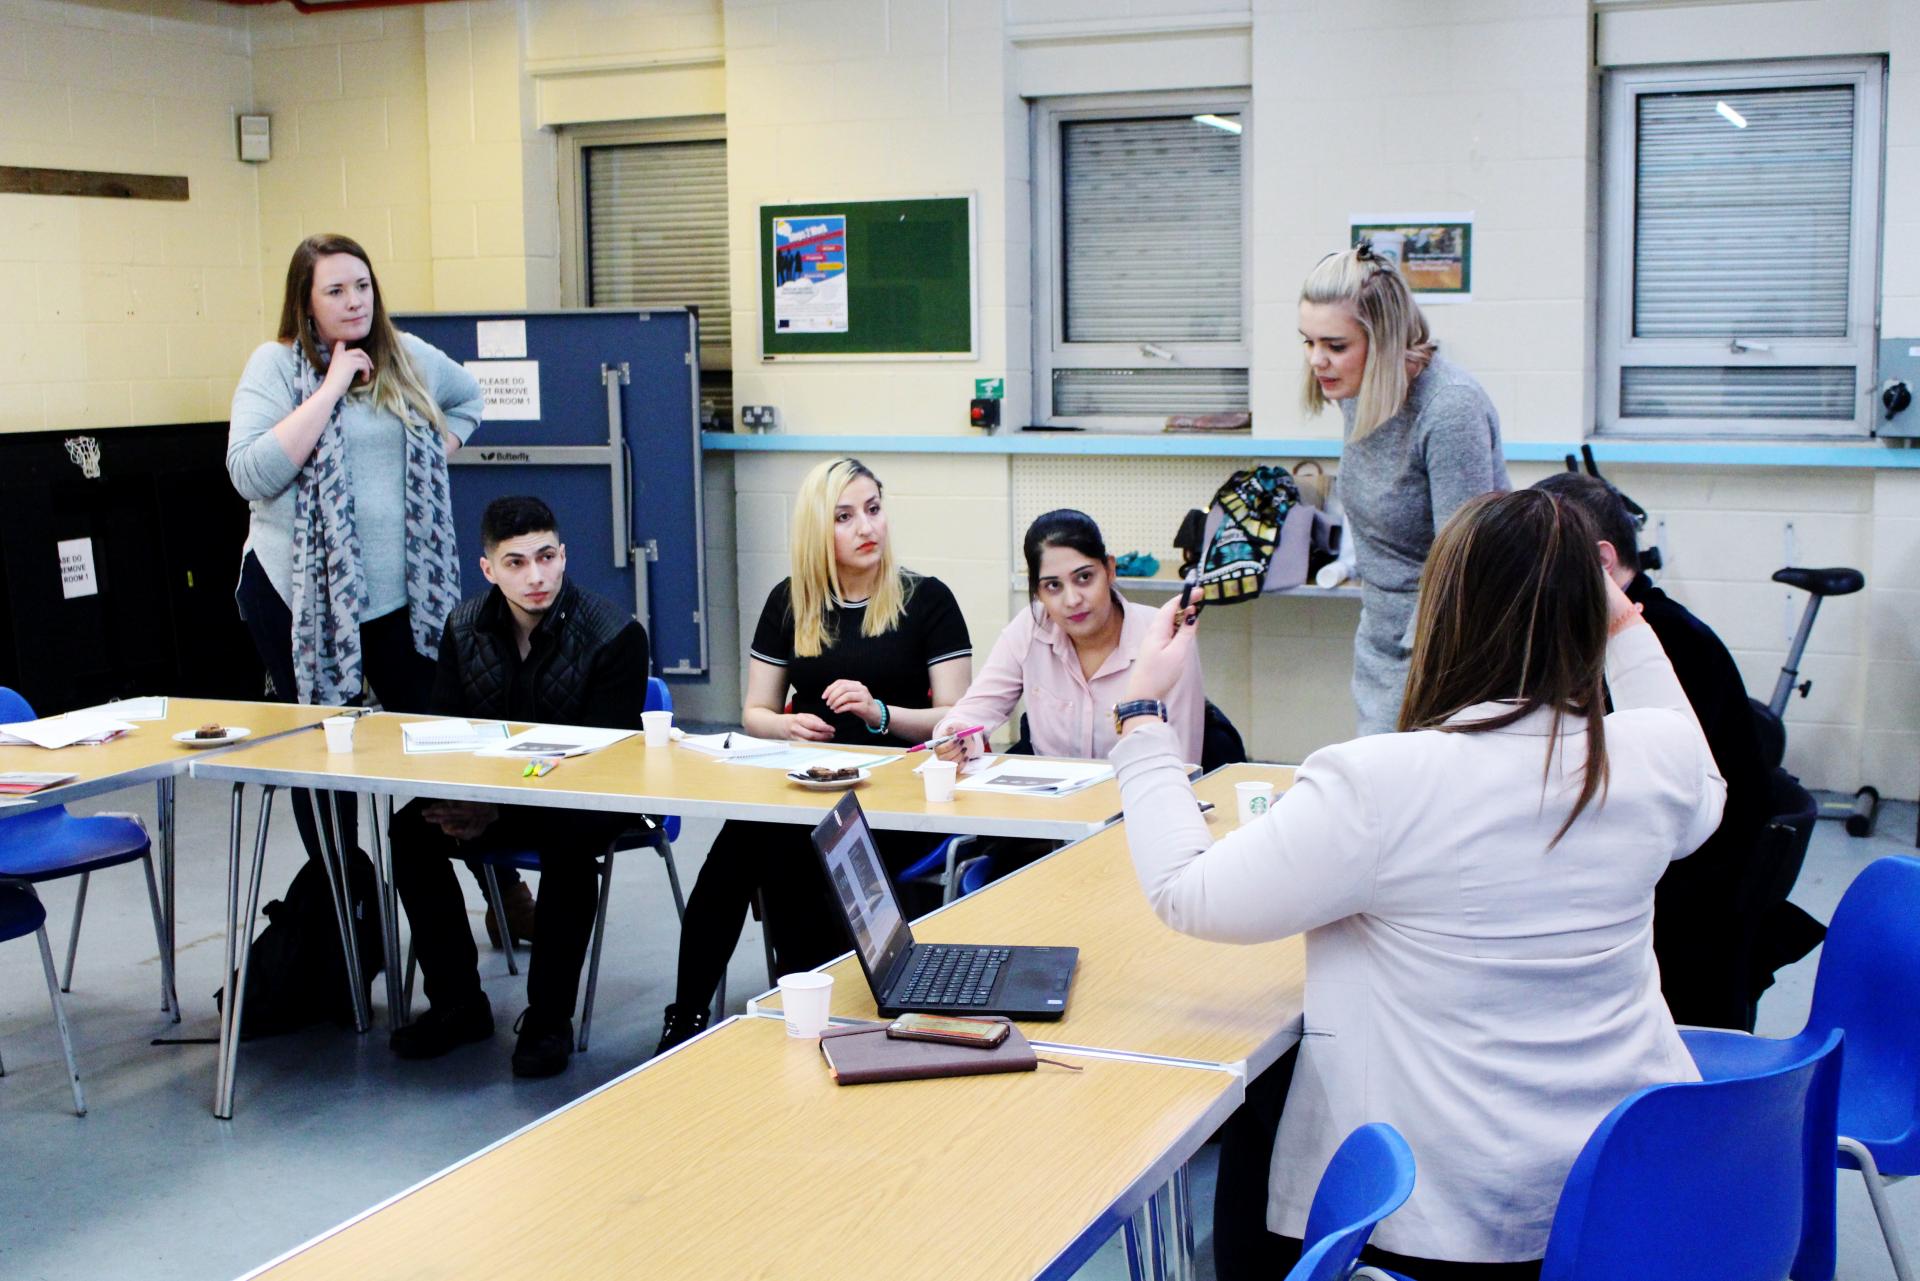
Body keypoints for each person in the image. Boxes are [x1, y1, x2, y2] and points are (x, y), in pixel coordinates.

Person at [1111, 489, 1725, 1279]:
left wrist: (1140, 713)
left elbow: (1186, 890)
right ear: (1592, 607)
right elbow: (1702, 769)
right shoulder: (1653, 759)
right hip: (1622, 1192)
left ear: (1444, 613)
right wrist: (1621, 620)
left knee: (1264, 1122)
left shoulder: (1383, 783)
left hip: (1450, 1224)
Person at [227, 233, 534, 947]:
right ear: (304, 300)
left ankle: (499, 887)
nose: (353, 300)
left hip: (402, 598)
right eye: (334, 290)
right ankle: (344, 897)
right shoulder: (274, 368)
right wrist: (333, 385)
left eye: (361, 285)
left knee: (437, 736)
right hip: (297, 597)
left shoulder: (408, 356)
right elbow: (251, 473)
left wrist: (438, 447)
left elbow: (468, 399)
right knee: (322, 749)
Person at [657, 457, 972, 1053]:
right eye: (845, 517)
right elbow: (754, 711)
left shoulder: (927, 600)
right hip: (807, 782)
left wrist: (880, 713)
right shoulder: (790, 601)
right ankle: (687, 1018)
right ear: (815, 530)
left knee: (799, 853)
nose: (866, 528)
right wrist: (784, 726)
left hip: (899, 793)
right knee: (736, 853)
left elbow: (957, 717)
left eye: (873, 510)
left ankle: (816, 1015)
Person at [386, 496, 649, 1078]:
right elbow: (448, 733)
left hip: (589, 796)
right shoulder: (463, 626)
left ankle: (549, 1018)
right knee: (411, 828)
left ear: (563, 556)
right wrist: (467, 800)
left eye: (545, 557)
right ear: (488, 570)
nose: (535, 576)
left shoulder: (616, 635)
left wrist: (494, 810)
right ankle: (458, 1004)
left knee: (569, 839)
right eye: (515, 563)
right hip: (500, 795)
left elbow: (601, 758)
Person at [1531, 472, 1803, 1031]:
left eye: (1539, 558)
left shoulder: (1665, 644)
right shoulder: (1637, 626)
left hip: (1685, 923)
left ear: (1601, 562)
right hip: (1680, 891)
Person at [1299, 242, 1509, 735]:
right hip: (1382, 634)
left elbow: (1462, 570)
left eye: (1335, 345)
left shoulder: (1450, 410)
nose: (1317, 360)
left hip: (1451, 651)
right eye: (1307, 342)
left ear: (1386, 339)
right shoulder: (1358, 392)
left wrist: (1417, 688)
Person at [932, 509, 1204, 768]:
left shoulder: (1164, 638)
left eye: (1084, 578)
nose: (1072, 600)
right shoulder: (1029, 627)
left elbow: (1182, 763)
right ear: (1037, 591)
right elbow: (974, 710)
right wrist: (954, 734)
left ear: (1110, 570)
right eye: (1053, 586)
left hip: (1140, 803)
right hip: (1053, 808)